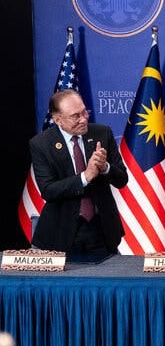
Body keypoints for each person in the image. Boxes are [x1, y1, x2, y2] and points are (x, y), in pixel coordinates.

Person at [30, 89, 128, 254]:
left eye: (84, 112)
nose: (83, 119)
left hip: (102, 230)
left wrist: (105, 168)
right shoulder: (41, 144)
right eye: (76, 116)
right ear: (57, 120)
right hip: (62, 232)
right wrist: (85, 177)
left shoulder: (102, 133)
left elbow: (122, 180)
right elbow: (48, 190)